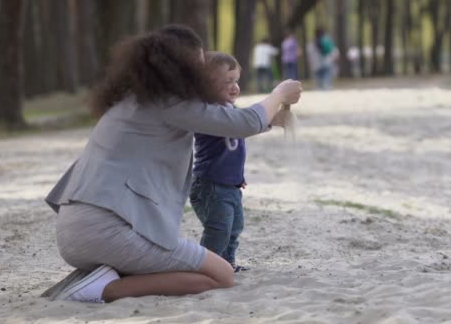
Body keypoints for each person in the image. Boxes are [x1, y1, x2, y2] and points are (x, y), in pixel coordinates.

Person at [41, 24, 302, 303]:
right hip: (108, 233)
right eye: (199, 67)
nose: (202, 76)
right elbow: (243, 122)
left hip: (76, 233)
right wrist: (280, 94)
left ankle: (97, 278)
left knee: (212, 271)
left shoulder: (134, 101)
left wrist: (269, 120)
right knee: (221, 276)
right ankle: (103, 290)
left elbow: (223, 122)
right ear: (181, 68)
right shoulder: (169, 103)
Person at [189, 51, 249, 273]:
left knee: (235, 227)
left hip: (230, 184)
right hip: (210, 184)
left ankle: (227, 264)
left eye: (236, 81)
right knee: (219, 229)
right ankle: (206, 268)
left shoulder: (231, 110)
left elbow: (234, 151)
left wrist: (238, 177)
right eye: (227, 82)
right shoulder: (208, 112)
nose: (234, 87)